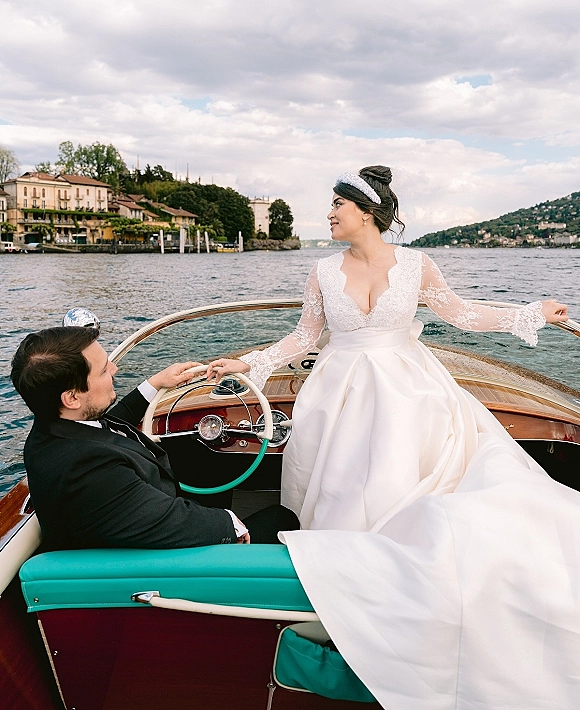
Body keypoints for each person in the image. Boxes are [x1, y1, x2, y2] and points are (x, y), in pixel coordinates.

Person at [207, 165, 580, 709]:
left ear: (367, 213)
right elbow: (304, 336)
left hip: (411, 387)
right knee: (341, 486)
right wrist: (250, 361)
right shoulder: (321, 270)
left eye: (337, 204)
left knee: (405, 483)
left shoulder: (417, 264)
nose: (329, 213)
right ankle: (346, 602)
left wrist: (532, 312)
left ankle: (404, 596)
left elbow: (463, 316)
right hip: (338, 391)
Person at [12, 326, 298, 550]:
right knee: (280, 519)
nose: (114, 369)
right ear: (72, 397)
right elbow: (169, 520)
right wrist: (232, 526)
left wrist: (155, 383)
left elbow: (114, 424)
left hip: (145, 510)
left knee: (199, 456)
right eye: (103, 370)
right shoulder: (87, 470)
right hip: (161, 563)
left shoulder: (56, 427)